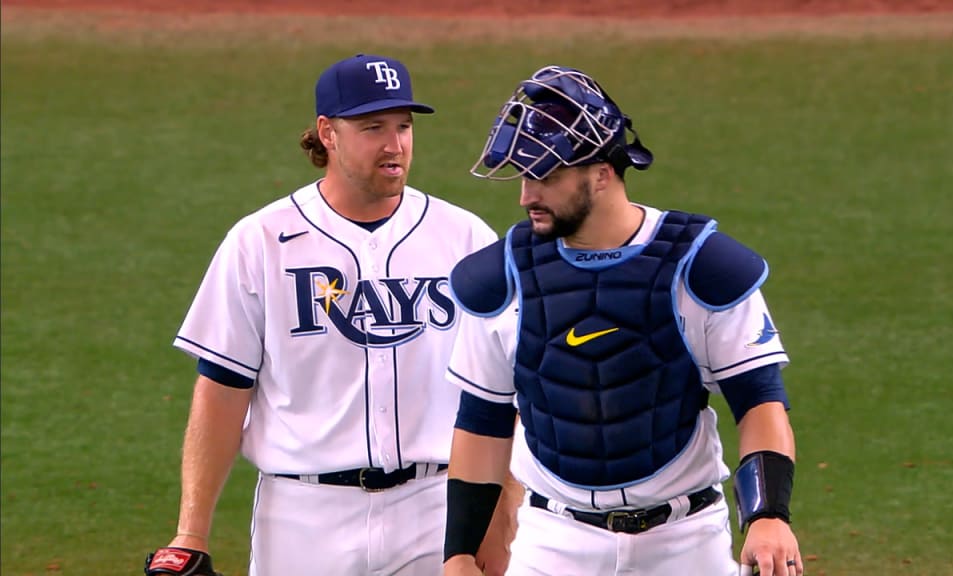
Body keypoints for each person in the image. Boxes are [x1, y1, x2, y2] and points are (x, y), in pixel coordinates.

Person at [144, 53, 517, 576]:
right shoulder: (261, 242)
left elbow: (502, 391)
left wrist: (502, 518)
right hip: (303, 517)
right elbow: (223, 388)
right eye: (372, 128)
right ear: (328, 133)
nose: (395, 145)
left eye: (404, 127)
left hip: (438, 509)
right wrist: (191, 533)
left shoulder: (465, 238)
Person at [440, 65, 803, 576]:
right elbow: (482, 423)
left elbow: (761, 402)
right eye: (524, 175)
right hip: (552, 544)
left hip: (684, 542)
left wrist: (768, 516)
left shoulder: (700, 265)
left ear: (602, 173)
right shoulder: (500, 279)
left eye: (545, 176)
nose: (526, 196)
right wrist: (458, 553)